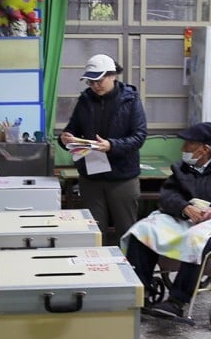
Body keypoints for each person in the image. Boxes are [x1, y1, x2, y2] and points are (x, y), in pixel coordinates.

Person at [121, 122, 211, 324]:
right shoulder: (182, 167)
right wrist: (184, 207)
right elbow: (168, 195)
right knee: (142, 230)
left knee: (197, 240)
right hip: (187, 216)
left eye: (188, 144)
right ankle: (142, 291)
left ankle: (177, 301)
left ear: (204, 149)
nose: (182, 149)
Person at [58, 54, 147, 245]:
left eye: (99, 80)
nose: (95, 85)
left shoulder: (130, 100)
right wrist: (65, 138)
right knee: (94, 231)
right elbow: (73, 128)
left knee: (126, 230)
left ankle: (131, 270)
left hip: (122, 178)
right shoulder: (85, 100)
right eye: (91, 81)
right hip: (91, 177)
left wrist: (112, 146)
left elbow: (139, 137)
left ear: (113, 75)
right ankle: (98, 272)